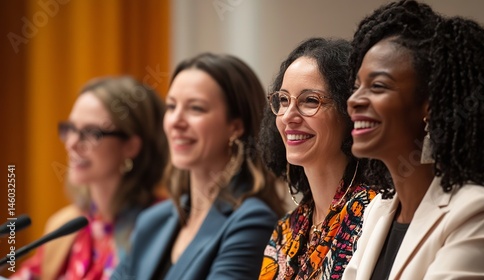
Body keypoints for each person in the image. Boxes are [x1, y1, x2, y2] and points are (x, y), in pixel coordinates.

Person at [343, 1, 484, 279]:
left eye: (377, 86)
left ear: (430, 104)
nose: (354, 101)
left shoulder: (477, 214)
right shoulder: (377, 213)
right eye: (357, 87)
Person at [112, 53, 286, 280]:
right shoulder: (152, 220)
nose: (176, 121)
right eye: (171, 106)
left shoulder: (252, 221)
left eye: (195, 108)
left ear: (235, 126)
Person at [11, 76, 169, 280]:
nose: (72, 143)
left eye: (91, 133)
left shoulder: (163, 226)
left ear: (131, 146)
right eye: (71, 129)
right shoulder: (65, 225)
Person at [258, 37, 376, 280]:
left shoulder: (375, 214)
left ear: (349, 111)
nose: (289, 115)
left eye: (310, 100)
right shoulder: (285, 230)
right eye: (283, 100)